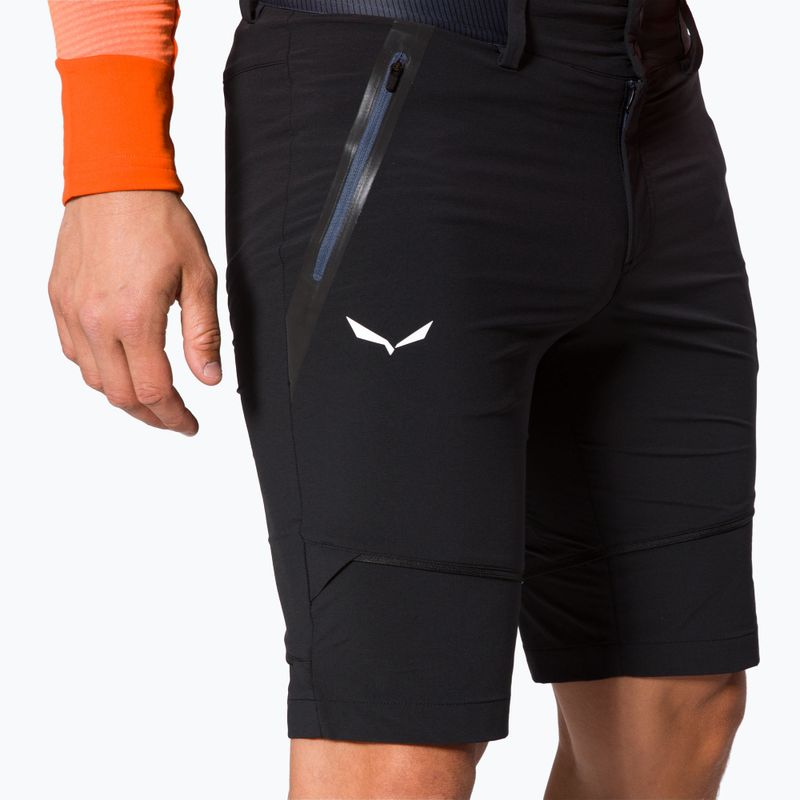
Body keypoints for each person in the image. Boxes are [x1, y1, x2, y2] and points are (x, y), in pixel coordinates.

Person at [46, 0, 760, 797]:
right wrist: (112, 165)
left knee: (677, 704)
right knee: (396, 749)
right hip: (397, 85)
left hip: (652, 94)